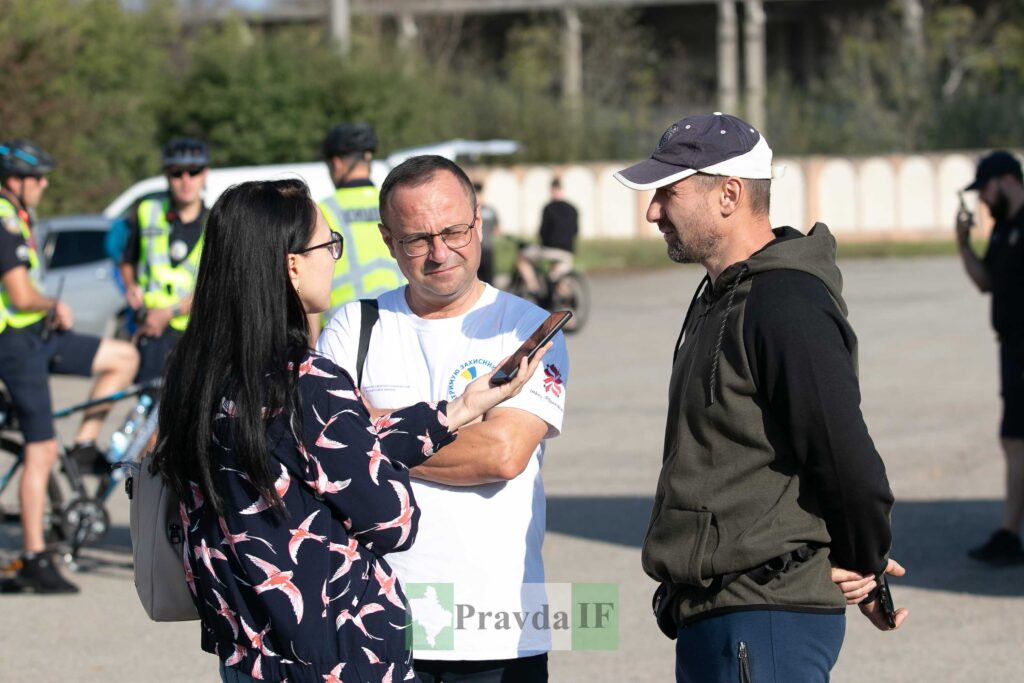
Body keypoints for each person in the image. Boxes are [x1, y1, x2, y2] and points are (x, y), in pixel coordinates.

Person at [152, 179, 545, 683]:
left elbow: (319, 447)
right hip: (333, 659)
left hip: (249, 653)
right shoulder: (308, 384)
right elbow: (392, 520)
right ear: (292, 265)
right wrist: (375, 459)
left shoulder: (195, 377)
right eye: (328, 244)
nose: (335, 258)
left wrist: (455, 410)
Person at [614, 113, 906, 682]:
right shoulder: (723, 295)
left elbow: (842, 453)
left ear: (729, 193)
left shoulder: (785, 302)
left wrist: (863, 561)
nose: (652, 212)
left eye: (667, 193)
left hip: (765, 617)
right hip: (718, 614)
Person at [318, 156, 570, 682]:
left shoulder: (524, 328)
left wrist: (366, 432)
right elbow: (321, 451)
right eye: (417, 239)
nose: (439, 253)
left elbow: (502, 455)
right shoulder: (354, 327)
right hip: (373, 630)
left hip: (498, 634)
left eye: (454, 231)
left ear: (478, 223)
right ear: (388, 240)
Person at [0, 140, 139, 593]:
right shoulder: (2, 219)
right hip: (15, 347)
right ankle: (34, 558)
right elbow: (20, 296)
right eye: (38, 177)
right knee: (39, 450)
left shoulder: (19, 216)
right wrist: (53, 303)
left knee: (123, 357)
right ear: (16, 179)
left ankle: (82, 447)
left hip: (39, 337)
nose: (43, 185)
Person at [956, 150, 1024, 565]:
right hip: (1012, 349)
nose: (982, 199)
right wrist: (964, 244)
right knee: (1013, 439)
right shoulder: (1004, 231)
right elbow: (986, 283)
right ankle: (1009, 531)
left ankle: (1009, 534)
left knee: (1015, 439)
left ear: (1005, 180)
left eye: (985, 189)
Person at [118, 137, 210, 385]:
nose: (186, 180)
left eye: (193, 171)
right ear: (167, 176)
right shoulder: (147, 210)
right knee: (150, 406)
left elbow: (217, 286)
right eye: (176, 173)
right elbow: (127, 261)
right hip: (152, 330)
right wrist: (130, 287)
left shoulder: (215, 223)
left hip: (196, 332)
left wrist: (170, 312)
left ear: (205, 174)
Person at [319, 122, 405, 319]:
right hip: (400, 318)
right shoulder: (394, 203)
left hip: (343, 326)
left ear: (337, 164)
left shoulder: (323, 211)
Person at [516, 177, 578, 298]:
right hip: (568, 252)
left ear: (551, 190)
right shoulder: (573, 209)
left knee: (522, 259)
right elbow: (576, 230)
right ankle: (564, 297)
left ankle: (533, 288)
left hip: (549, 250)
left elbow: (543, 232)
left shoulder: (548, 208)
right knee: (556, 275)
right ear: (562, 189)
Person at [472, 180, 500, 285]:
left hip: (487, 249)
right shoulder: (470, 211)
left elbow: (498, 230)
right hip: (475, 250)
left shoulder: (491, 210)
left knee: (489, 281)